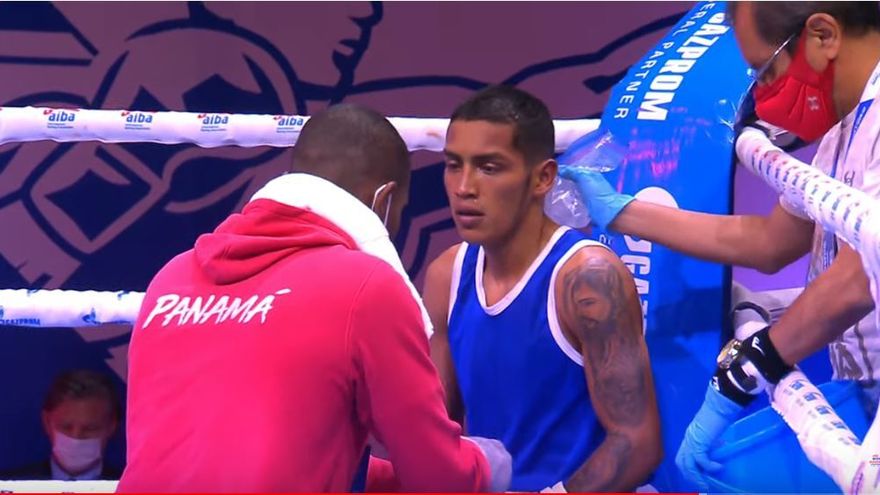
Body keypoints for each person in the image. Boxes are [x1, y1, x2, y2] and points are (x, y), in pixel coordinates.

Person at [559, 1, 880, 489]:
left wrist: (742, 374)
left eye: (766, 71)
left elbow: (856, 279)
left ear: (823, 36)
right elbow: (770, 242)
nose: (764, 98)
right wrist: (624, 211)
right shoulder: (846, 131)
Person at [117, 103, 511, 492]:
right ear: (383, 200)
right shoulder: (365, 287)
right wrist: (489, 464)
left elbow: (209, 461)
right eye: (399, 212)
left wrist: (379, 477)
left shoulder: (172, 278)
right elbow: (437, 476)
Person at [424, 85, 662, 492]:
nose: (464, 187)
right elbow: (436, 431)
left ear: (543, 178)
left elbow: (636, 443)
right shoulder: (446, 275)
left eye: (488, 167)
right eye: (453, 165)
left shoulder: (587, 280)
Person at [1, 370, 122, 481]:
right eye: (66, 427)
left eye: (89, 428)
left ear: (111, 426)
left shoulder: (129, 488)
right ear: (47, 422)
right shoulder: (9, 485)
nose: (76, 438)